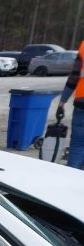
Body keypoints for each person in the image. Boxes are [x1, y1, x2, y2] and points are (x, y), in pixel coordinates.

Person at [57, 41, 84, 169]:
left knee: (78, 144)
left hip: (82, 102)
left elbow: (74, 77)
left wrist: (62, 101)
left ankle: (72, 179)